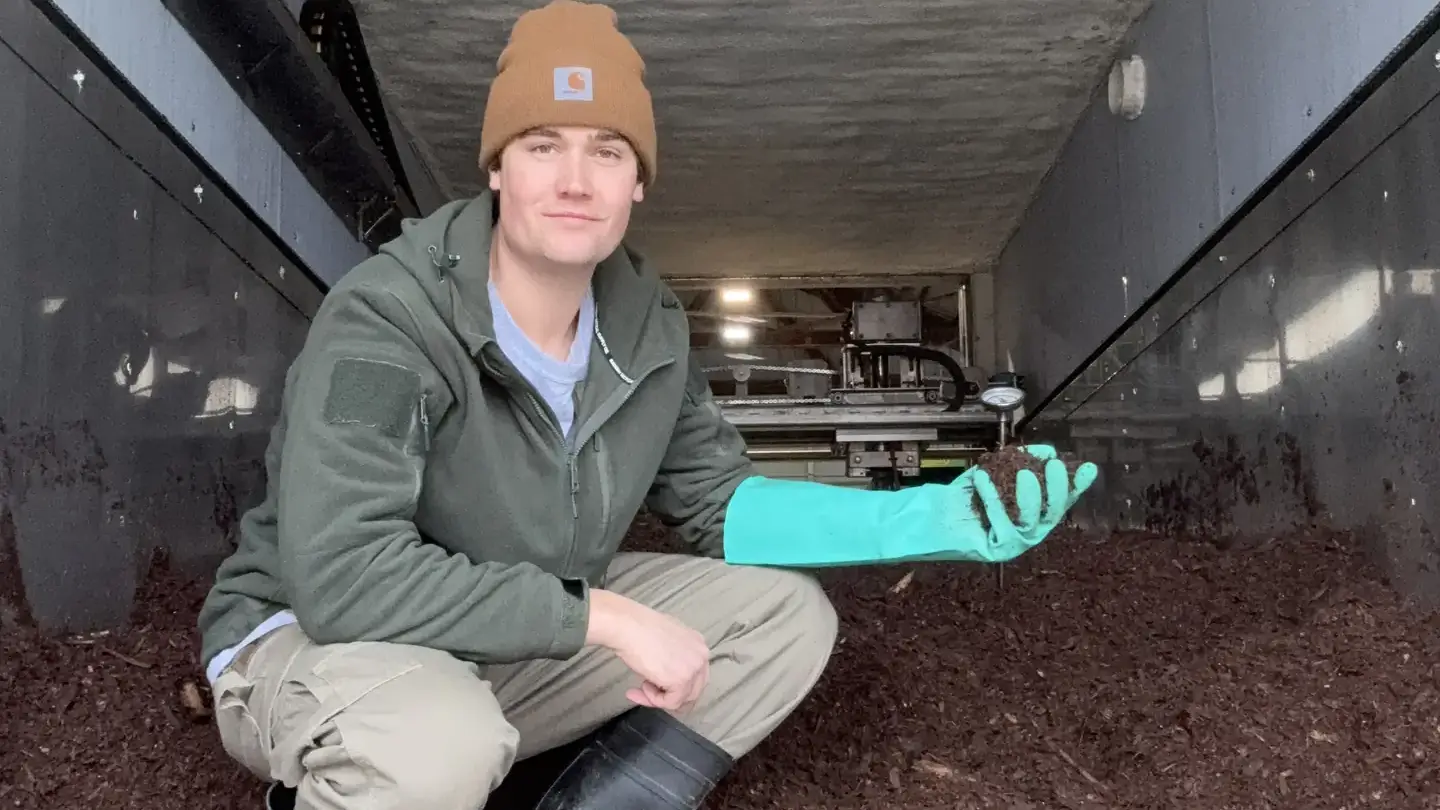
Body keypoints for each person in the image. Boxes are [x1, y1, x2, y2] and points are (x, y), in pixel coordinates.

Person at [196, 2, 1095, 809]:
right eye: (543, 143)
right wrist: (606, 618)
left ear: (638, 184)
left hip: (495, 635)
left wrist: (921, 518)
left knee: (784, 620)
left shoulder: (647, 328)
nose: (575, 179)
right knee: (436, 747)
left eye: (608, 150)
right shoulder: (387, 319)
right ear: (497, 170)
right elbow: (345, 577)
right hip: (312, 641)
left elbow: (722, 504)